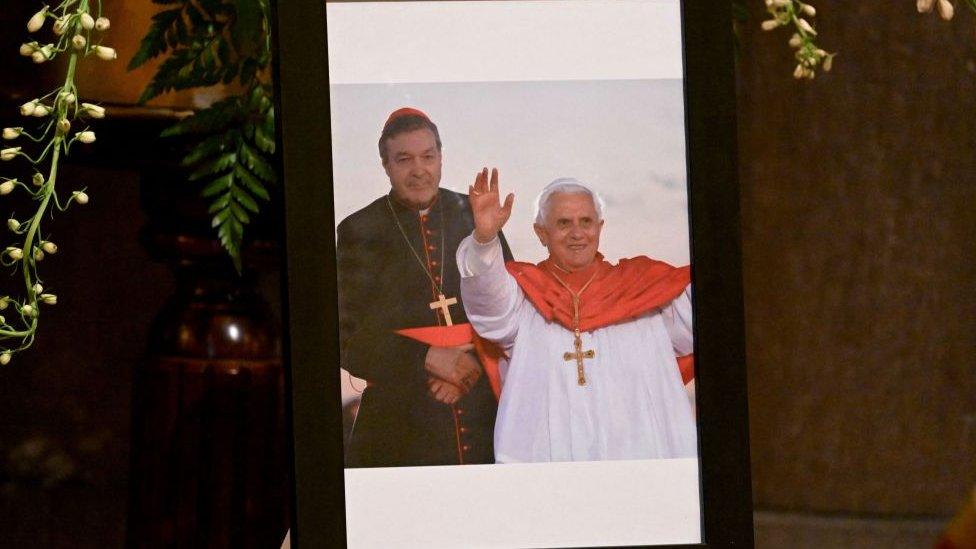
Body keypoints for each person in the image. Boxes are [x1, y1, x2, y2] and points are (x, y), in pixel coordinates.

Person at [457, 171, 697, 463]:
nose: (577, 233)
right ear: (541, 233)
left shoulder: (645, 289)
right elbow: (488, 306)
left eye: (586, 221)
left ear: (600, 227)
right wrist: (484, 240)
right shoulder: (522, 296)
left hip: (639, 464)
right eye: (563, 223)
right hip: (547, 468)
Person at [337, 108, 513, 467]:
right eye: (404, 159)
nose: (419, 169)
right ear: (386, 164)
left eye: (428, 157)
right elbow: (343, 338)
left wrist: (472, 365)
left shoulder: (474, 215)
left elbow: (512, 311)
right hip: (401, 420)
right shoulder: (360, 230)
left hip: (484, 413)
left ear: (441, 157)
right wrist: (427, 358)